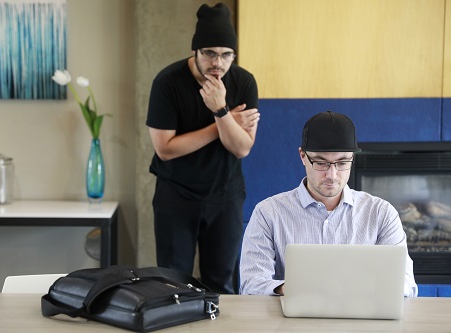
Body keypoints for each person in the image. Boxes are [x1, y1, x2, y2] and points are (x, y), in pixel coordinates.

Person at [239, 111, 418, 297]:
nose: (332, 175)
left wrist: (362, 291)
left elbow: (406, 284)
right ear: (302, 156)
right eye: (320, 163)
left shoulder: (381, 213)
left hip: (362, 323)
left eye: (342, 162)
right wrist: (292, 289)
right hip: (291, 323)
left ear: (352, 158)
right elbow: (251, 283)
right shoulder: (268, 213)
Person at [146, 2, 260, 294]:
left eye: (226, 55)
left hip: (225, 195)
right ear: (195, 51)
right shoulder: (167, 83)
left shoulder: (243, 82)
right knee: (174, 285)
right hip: (177, 195)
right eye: (209, 53)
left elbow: (242, 148)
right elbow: (165, 149)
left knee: (222, 285)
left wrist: (220, 110)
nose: (217, 63)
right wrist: (223, 122)